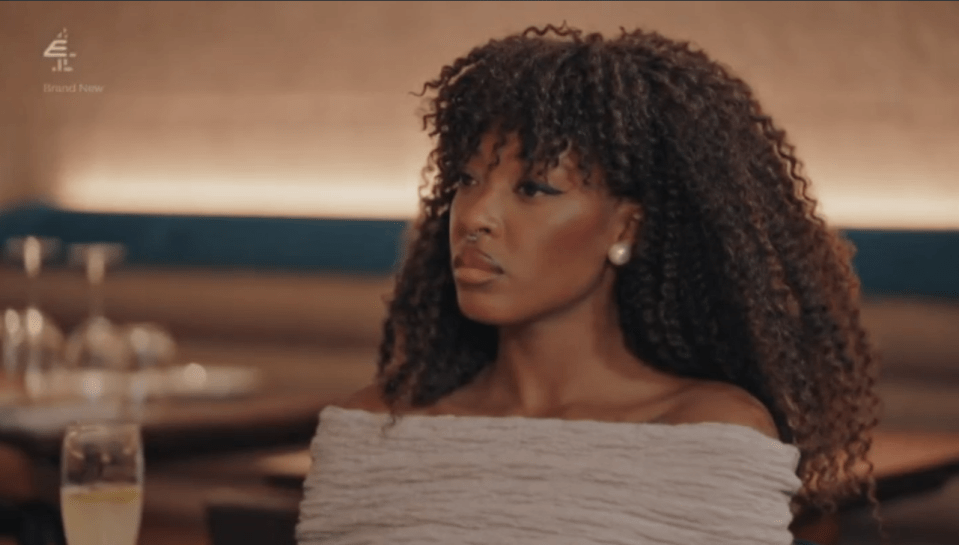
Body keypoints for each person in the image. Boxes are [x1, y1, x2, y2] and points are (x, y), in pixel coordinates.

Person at [297, 23, 884, 545]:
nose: (475, 216)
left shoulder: (705, 432)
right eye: (468, 180)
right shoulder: (372, 425)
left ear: (626, 226)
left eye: (534, 189)